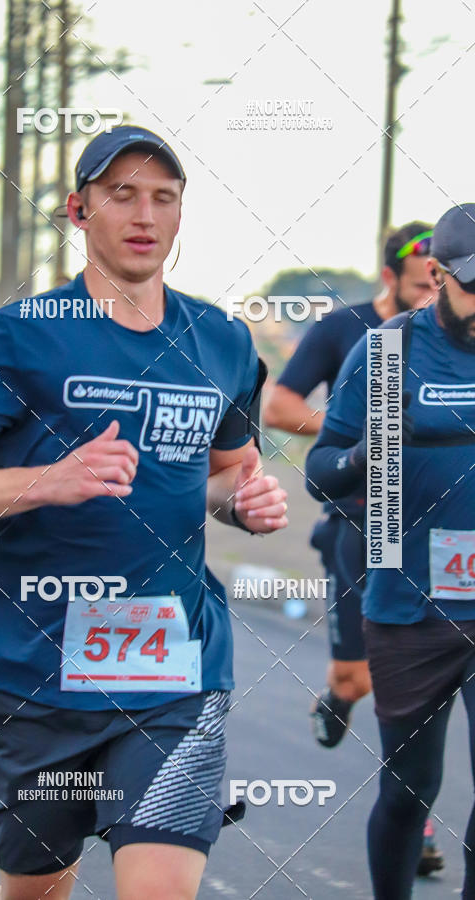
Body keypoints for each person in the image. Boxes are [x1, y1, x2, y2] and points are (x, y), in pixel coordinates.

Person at [0, 125, 289, 900]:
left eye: (163, 197)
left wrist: (245, 505)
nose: (144, 214)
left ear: (181, 215)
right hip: (36, 673)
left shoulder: (222, 342)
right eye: (122, 194)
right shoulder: (13, 338)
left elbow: (219, 481)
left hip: (176, 672)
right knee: (37, 890)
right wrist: (48, 481)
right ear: (79, 211)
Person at [304, 203, 475, 899]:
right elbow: (320, 469)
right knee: (411, 791)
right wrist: (364, 456)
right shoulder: (388, 353)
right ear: (435, 276)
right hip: (411, 601)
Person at [263, 222, 443, 874]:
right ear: (392, 277)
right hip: (359, 521)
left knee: (426, 682)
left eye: (445, 283)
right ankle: (339, 694)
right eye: (426, 284)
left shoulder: (454, 341)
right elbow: (280, 407)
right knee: (357, 676)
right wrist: (356, 429)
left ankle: (414, 820)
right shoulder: (349, 331)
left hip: (434, 536)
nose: (437, 297)